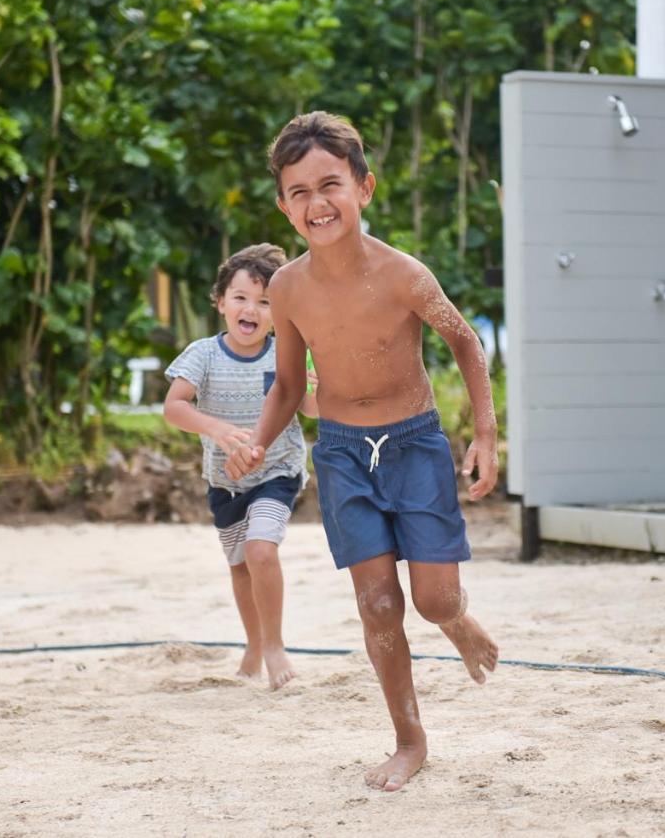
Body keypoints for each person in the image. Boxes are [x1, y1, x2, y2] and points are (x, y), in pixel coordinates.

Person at [225, 112, 500, 791]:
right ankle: (409, 740)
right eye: (298, 192)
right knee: (378, 604)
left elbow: (466, 342)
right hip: (343, 453)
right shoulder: (286, 288)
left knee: (433, 601)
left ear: (364, 188)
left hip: (415, 446)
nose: (317, 204)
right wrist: (259, 441)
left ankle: (456, 620)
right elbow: (290, 383)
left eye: (330, 185)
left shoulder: (405, 275)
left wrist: (487, 434)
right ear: (283, 204)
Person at [163, 243, 317, 691]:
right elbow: (174, 407)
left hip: (277, 472)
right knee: (240, 567)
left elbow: (310, 408)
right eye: (241, 298)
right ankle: (254, 642)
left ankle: (274, 645)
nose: (252, 308)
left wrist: (322, 387)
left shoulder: (285, 353)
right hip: (225, 482)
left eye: (265, 301)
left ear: (278, 310)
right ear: (221, 303)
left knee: (261, 549)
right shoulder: (203, 354)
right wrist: (215, 428)